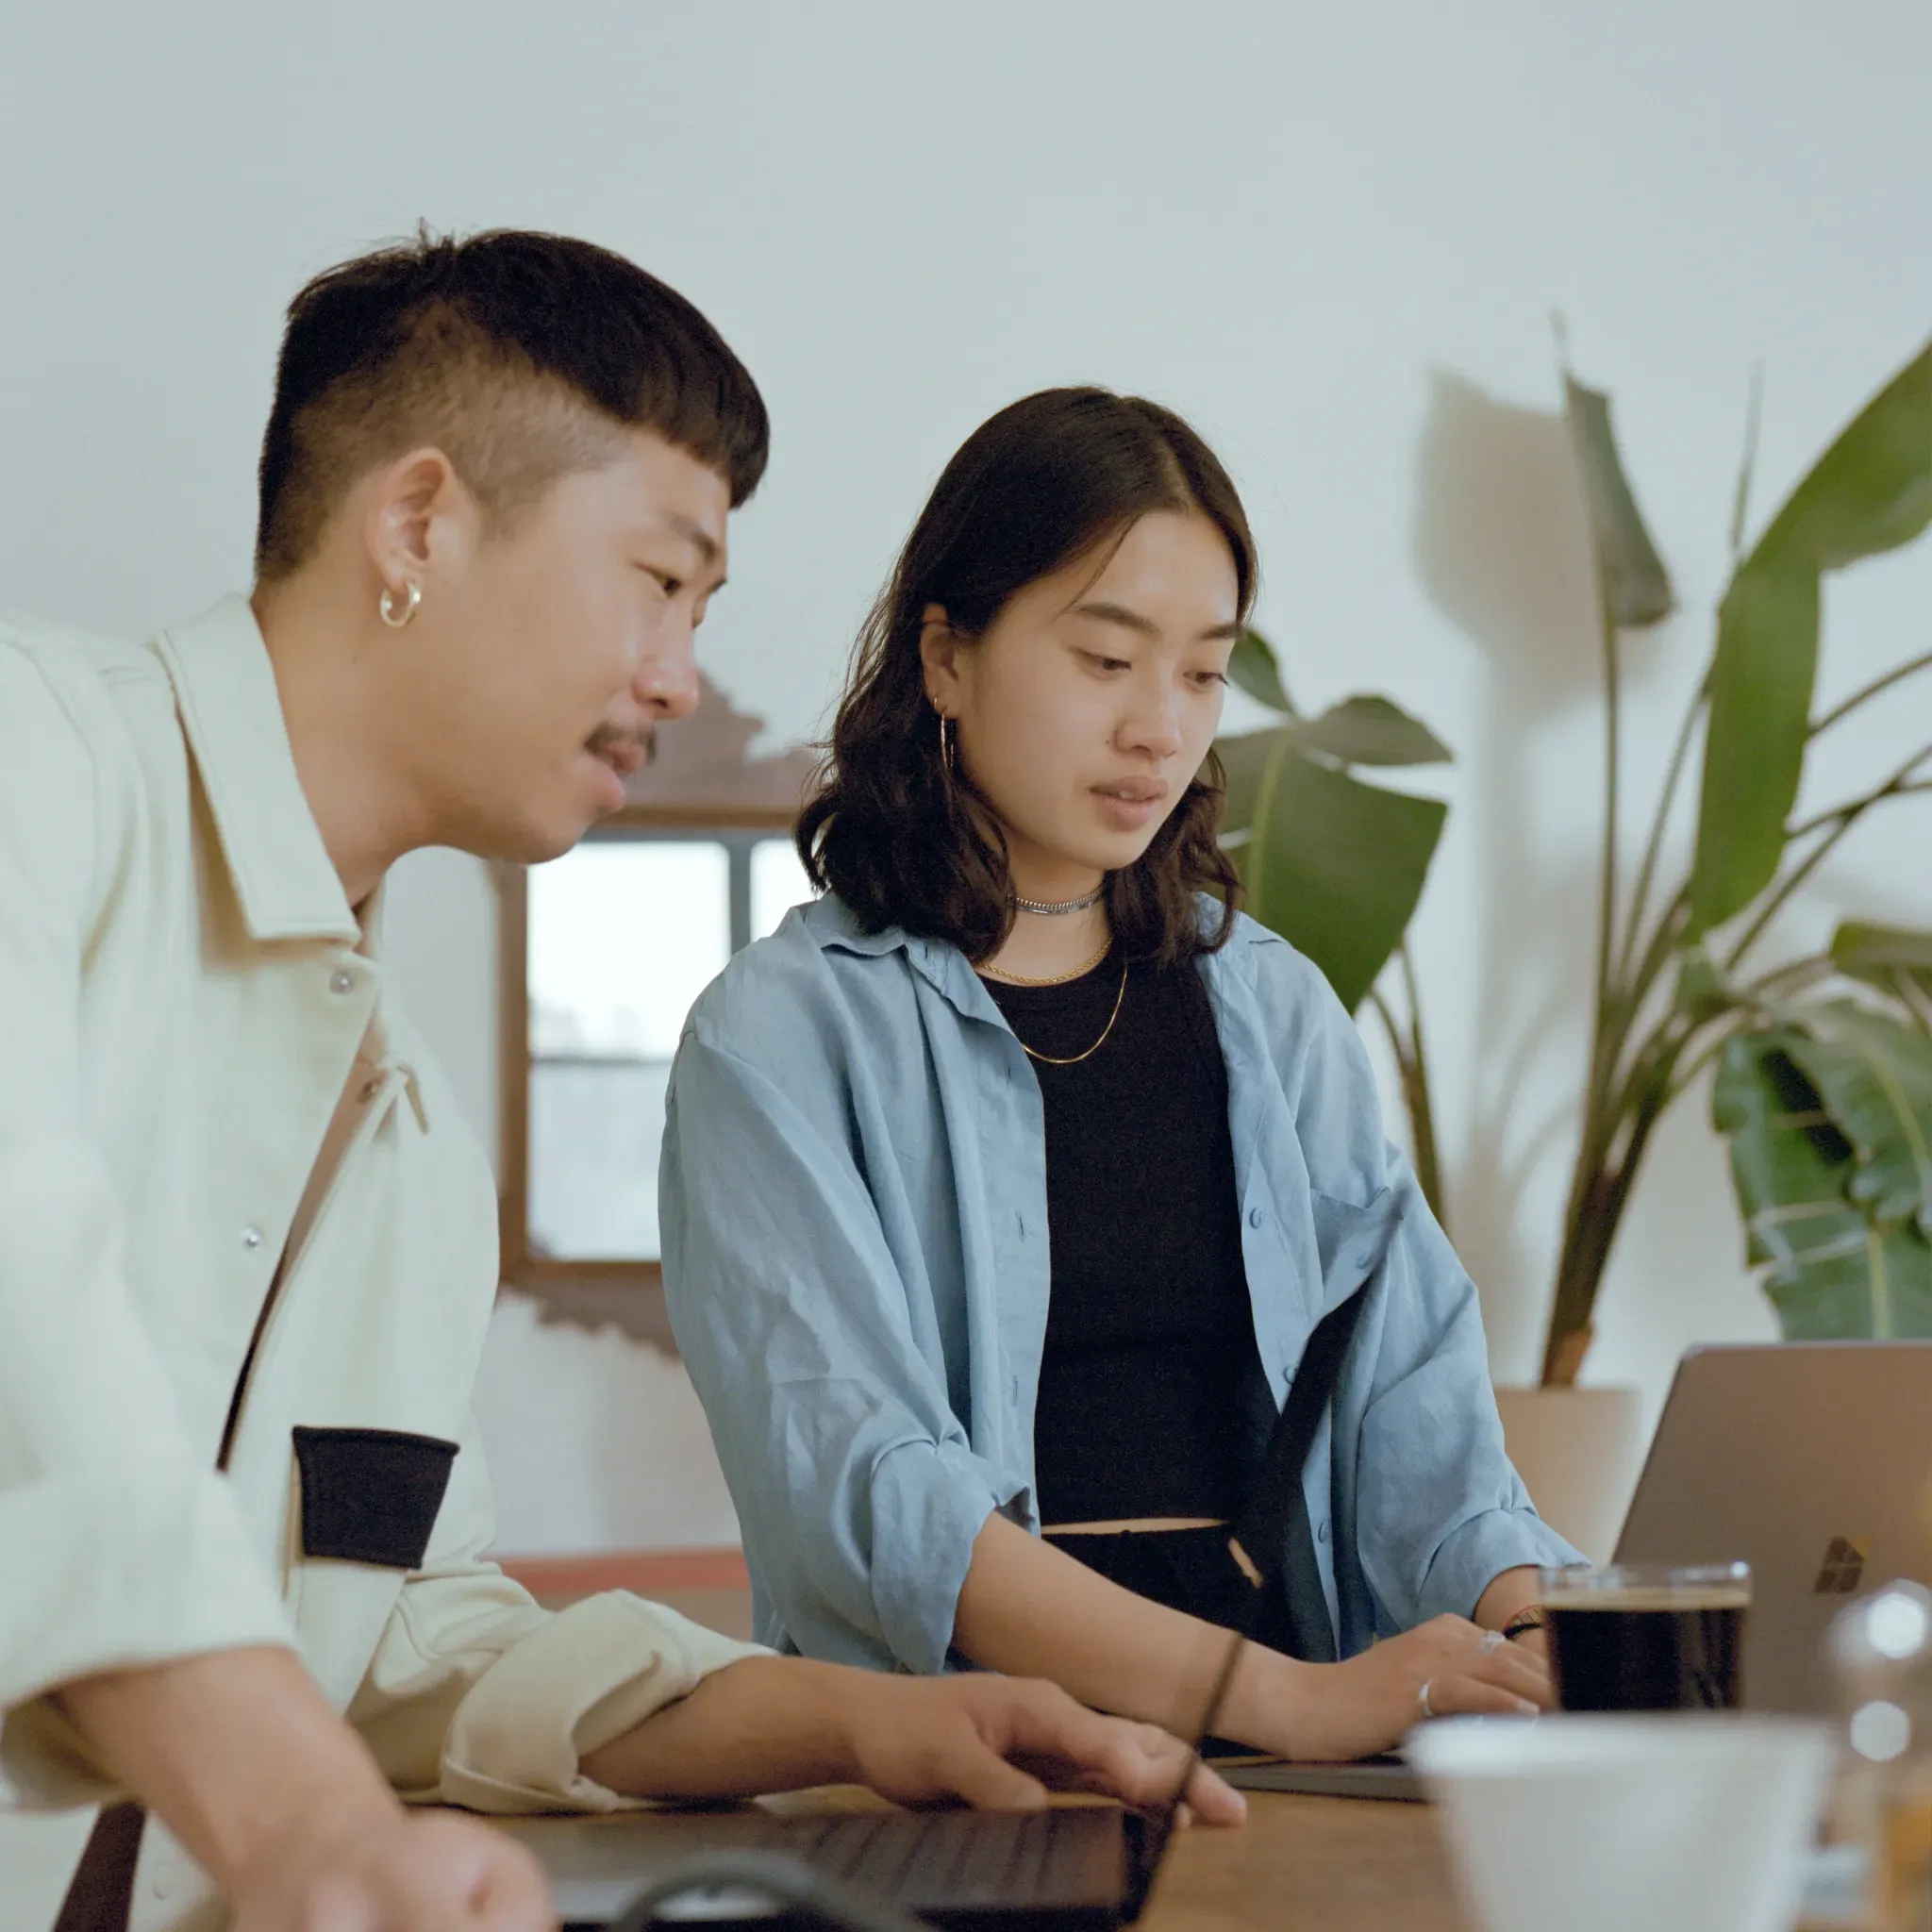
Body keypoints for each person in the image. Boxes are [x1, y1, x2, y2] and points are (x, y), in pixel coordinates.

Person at [0, 241, 1242, 1932]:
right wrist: (300, 1828)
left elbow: (423, 1651)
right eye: (661, 581)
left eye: (702, 612)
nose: (677, 671)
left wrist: (868, 1722)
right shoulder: (36, 763)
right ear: (420, 523)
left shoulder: (406, 1138)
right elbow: (27, 1350)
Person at [660, 386, 1583, 1762]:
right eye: (1106, 660)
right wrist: (1273, 1699)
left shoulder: (1272, 1010)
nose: (1161, 727)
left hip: (1298, 1779)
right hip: (962, 1771)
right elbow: (869, 1494)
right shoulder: (779, 1038)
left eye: (1203, 672)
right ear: (947, 657)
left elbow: (1410, 1401)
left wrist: (1536, 1624)